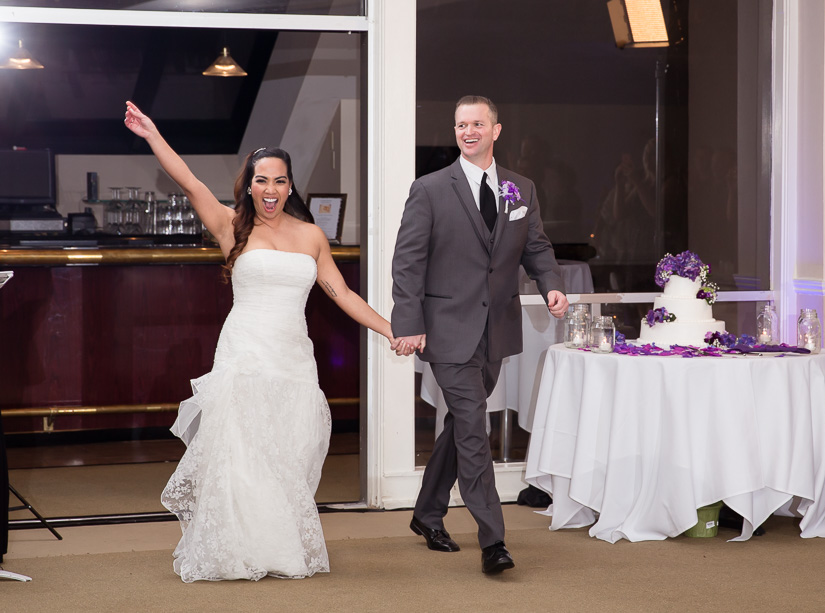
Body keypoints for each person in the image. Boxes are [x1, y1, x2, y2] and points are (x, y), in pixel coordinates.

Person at [123, 101, 399, 582]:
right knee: (243, 451)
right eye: (261, 180)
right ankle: (236, 549)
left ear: (290, 185)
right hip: (245, 352)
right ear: (248, 185)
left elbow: (342, 293)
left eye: (279, 181)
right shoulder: (232, 226)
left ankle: (277, 546)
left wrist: (390, 329)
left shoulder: (312, 236)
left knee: (286, 450)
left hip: (293, 355)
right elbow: (188, 180)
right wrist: (151, 134)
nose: (270, 190)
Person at [390, 95, 569, 574]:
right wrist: (408, 324)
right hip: (446, 332)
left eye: (477, 124)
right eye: (460, 124)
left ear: (496, 130)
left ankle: (427, 513)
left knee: (460, 428)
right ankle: (493, 540)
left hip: (497, 332)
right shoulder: (428, 190)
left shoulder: (521, 188)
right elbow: (408, 263)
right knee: (474, 429)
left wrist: (551, 285)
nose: (467, 131)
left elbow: (536, 246)